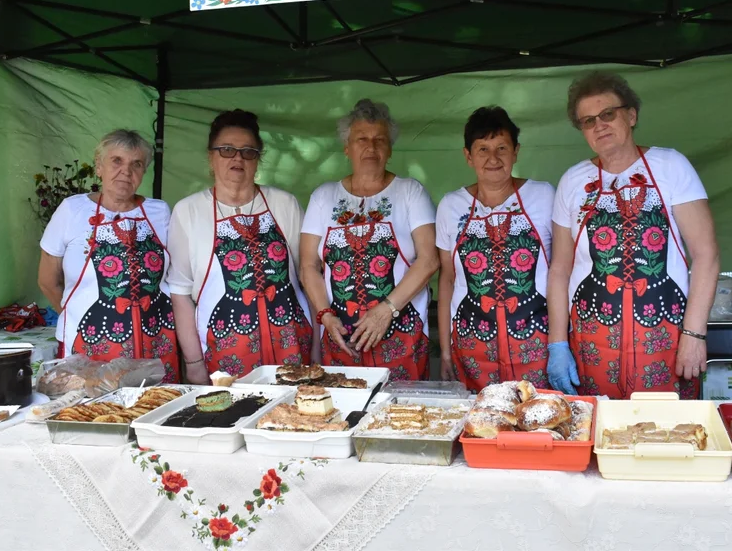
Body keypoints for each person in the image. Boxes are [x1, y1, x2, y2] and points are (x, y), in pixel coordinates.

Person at [547, 72, 719, 399]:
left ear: (631, 115)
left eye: (608, 114)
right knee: (598, 425)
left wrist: (694, 334)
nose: (599, 125)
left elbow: (706, 255)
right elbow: (559, 269)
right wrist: (557, 343)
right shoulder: (572, 181)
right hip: (591, 341)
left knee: (667, 426)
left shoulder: (670, 166)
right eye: (588, 121)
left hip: (666, 337)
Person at [167, 110, 312, 383]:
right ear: (210, 157)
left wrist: (316, 349)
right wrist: (194, 363)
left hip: (293, 352)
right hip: (223, 360)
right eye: (226, 150)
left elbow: (309, 275)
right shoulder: (189, 211)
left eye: (248, 151)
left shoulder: (285, 204)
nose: (237, 158)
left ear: (258, 159)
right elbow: (180, 292)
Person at [300, 99, 438, 381]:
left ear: (390, 149)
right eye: (362, 139)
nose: (371, 147)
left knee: (405, 408)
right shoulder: (323, 197)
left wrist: (386, 310)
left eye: (380, 140)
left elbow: (429, 260)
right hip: (340, 337)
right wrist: (326, 315)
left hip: (403, 336)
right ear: (347, 147)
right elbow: (308, 265)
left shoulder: (410, 192)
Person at [38, 129, 178, 381]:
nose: (126, 171)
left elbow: (176, 276)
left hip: (156, 340)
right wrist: (75, 315)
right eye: (117, 161)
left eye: (136, 164)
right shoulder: (72, 210)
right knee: (93, 403)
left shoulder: (160, 212)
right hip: (90, 343)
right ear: (99, 166)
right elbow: (48, 281)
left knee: (157, 401)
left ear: (143, 172)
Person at [435, 107, 555, 392]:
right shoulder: (450, 206)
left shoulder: (543, 195)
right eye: (483, 149)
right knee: (479, 416)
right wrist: (445, 350)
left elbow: (564, 269)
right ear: (468, 156)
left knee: (536, 414)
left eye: (502, 147)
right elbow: (447, 279)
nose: (493, 158)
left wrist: (561, 343)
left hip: (537, 345)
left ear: (516, 152)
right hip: (471, 347)